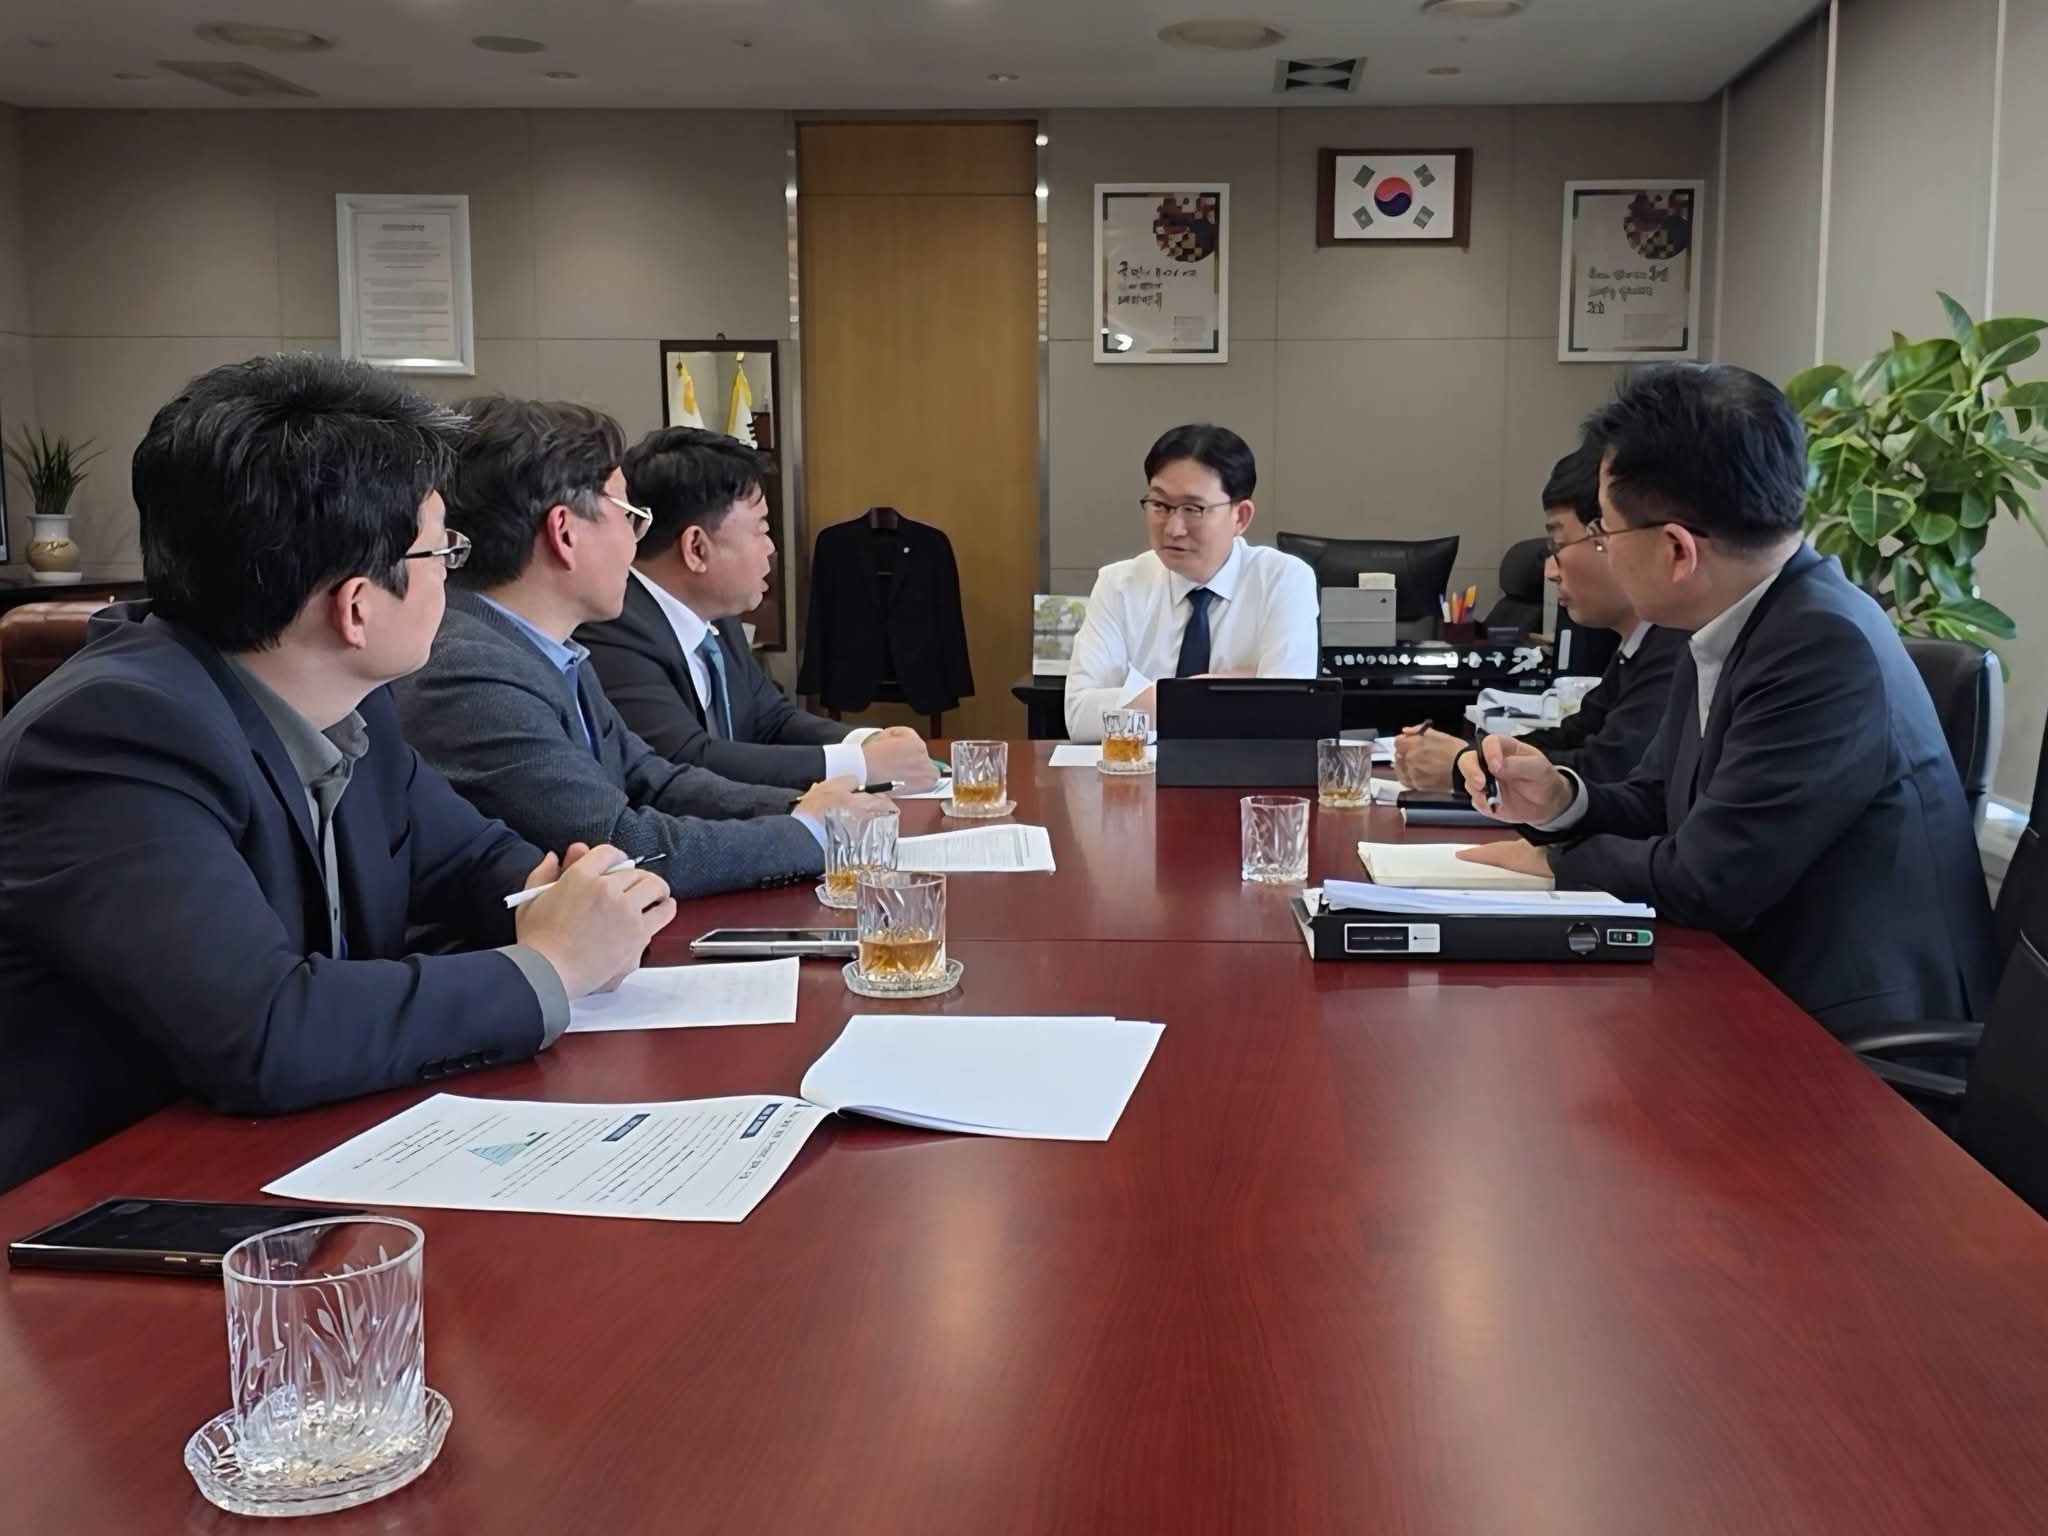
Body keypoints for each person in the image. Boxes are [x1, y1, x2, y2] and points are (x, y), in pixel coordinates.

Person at [0, 354, 675, 1190]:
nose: (453, 577)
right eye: (442, 555)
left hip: (294, 1156)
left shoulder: (351, 707)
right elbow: (266, 1030)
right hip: (103, 1215)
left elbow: (470, 862)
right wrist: (556, 965)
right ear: (357, 606)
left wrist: (565, 892)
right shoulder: (111, 737)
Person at [1456, 363, 1996, 1036]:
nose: (1599, 551)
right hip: (1757, 991)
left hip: (1852, 1043)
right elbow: (1660, 800)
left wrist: (1552, 862)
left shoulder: (1822, 645)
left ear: (1678, 550)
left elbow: (1709, 878)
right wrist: (1564, 800)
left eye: (1604, 535)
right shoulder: (1736, 620)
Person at [392, 398, 870, 898]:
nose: (636, 543)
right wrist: (810, 833)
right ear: (565, 532)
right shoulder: (470, 671)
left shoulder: (552, 649)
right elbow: (620, 843)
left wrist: (801, 806)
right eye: (629, 516)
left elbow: (652, 779)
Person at [579, 427, 937, 793]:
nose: (771, 549)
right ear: (697, 549)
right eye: (761, 529)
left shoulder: (715, 618)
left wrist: (867, 742)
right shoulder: (613, 627)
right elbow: (684, 760)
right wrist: (860, 766)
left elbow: (770, 720)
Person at [1395, 440, 1686, 790]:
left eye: (1559, 546)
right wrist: (1479, 757)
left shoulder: (1680, 645)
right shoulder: (1639, 646)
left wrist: (1466, 767)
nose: (1550, 571)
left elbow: (1611, 770)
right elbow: (1573, 738)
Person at [1064, 423, 1318, 742]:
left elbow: (1285, 713)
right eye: (1159, 505)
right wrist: (1210, 690)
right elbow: (1080, 718)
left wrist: (1140, 698)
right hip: (1136, 782)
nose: (1173, 528)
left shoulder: (1283, 580)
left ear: (1240, 516)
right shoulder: (1118, 584)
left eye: (1193, 509)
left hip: (1245, 783)